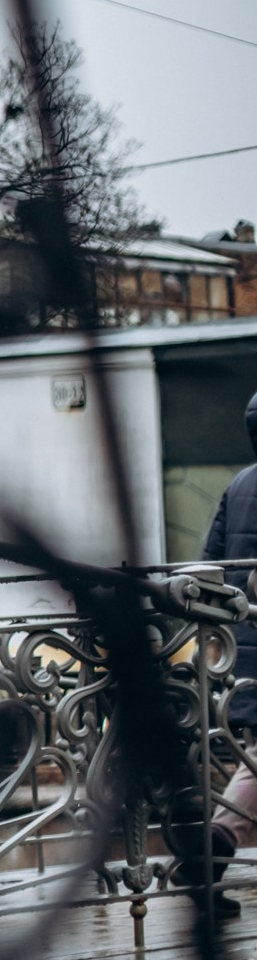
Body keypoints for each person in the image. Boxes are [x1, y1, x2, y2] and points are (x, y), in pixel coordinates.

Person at [188, 389, 257, 914]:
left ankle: (212, 848)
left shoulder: (240, 484)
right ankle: (215, 845)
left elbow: (208, 566)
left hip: (245, 647)